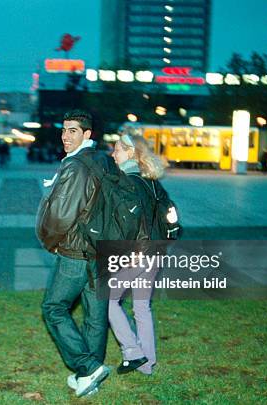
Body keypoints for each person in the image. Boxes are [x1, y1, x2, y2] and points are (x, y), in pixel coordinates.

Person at [36, 109, 114, 397]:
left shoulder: (75, 166)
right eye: (64, 130)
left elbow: (60, 215)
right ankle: (88, 378)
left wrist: (49, 240)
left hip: (76, 250)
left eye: (72, 131)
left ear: (87, 134)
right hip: (101, 249)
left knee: (53, 308)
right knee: (95, 315)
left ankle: (86, 366)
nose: (65, 136)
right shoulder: (102, 159)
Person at [108, 134, 165, 376]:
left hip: (137, 253)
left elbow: (127, 221)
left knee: (107, 301)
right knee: (141, 307)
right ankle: (148, 364)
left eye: (117, 150)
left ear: (130, 153)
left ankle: (133, 352)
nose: (113, 154)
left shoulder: (127, 182)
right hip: (155, 251)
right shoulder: (152, 181)